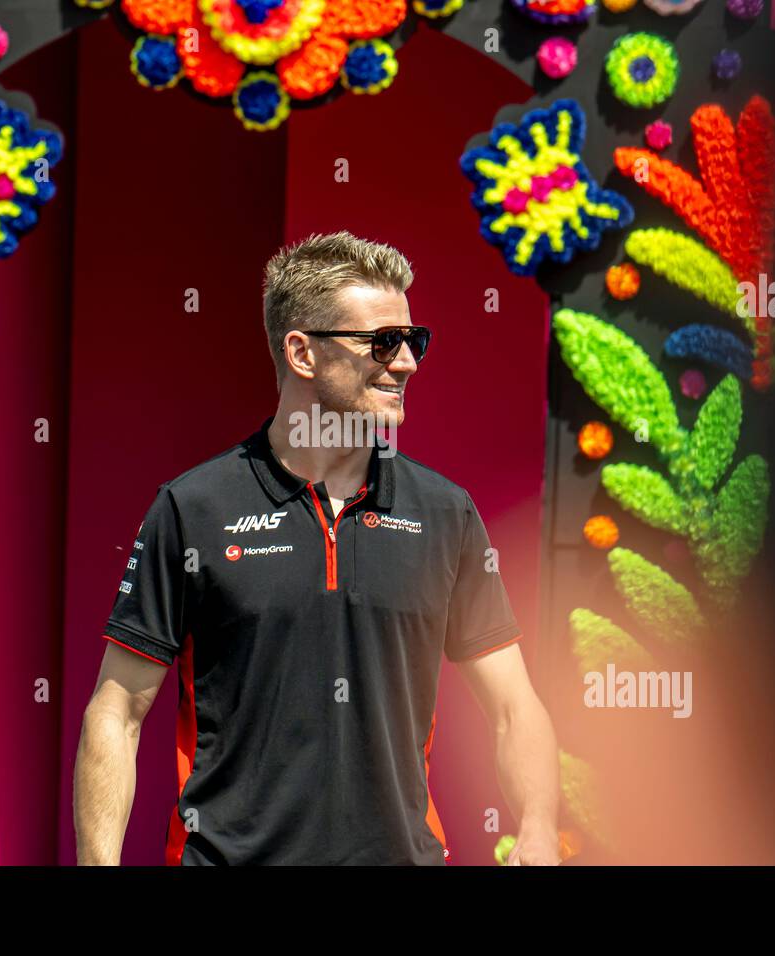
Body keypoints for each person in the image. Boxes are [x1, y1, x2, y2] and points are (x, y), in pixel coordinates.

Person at [74, 232, 561, 865]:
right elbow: (117, 712)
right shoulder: (193, 509)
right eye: (383, 342)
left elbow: (513, 707)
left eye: (415, 342)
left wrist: (541, 828)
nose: (408, 363)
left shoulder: (446, 513)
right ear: (302, 352)